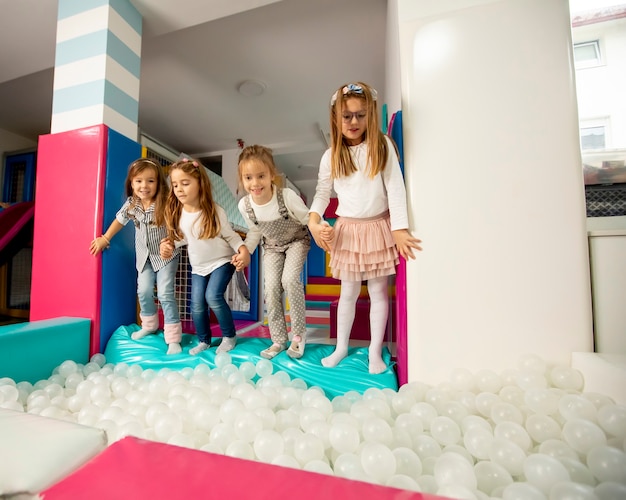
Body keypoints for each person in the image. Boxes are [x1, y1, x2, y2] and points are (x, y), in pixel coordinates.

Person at [308, 82, 422, 374]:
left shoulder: (381, 144)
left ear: (370, 115)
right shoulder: (331, 155)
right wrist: (314, 221)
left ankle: (374, 351)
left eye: (360, 115)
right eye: (347, 116)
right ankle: (341, 347)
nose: (354, 122)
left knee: (378, 292)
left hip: (377, 227)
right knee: (347, 293)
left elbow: (395, 187)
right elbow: (322, 193)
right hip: (347, 230)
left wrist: (399, 228)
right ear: (336, 118)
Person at [89, 158, 183, 355]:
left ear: (158, 183)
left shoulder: (165, 203)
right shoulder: (132, 204)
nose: (144, 186)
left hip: (166, 254)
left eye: (150, 181)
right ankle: (149, 325)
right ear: (131, 183)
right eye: (138, 181)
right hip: (144, 256)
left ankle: (173, 338)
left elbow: (177, 227)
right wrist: (105, 238)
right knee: (144, 291)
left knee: (165, 292)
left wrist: (170, 242)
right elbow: (119, 220)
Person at [160, 157, 250, 355]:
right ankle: (204, 340)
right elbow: (181, 239)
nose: (179, 189)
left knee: (213, 296)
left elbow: (231, 236)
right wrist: (168, 246)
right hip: (199, 267)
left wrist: (243, 250)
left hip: (222, 261)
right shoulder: (179, 214)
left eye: (185, 183)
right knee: (197, 304)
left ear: (200, 184)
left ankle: (229, 336)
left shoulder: (214, 211)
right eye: (175, 185)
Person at [236, 145, 312, 360]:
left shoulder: (286, 196)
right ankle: (279, 339)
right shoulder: (245, 205)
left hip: (297, 240)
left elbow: (308, 219)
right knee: (270, 288)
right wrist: (246, 251)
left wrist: (324, 233)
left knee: (289, 280)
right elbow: (254, 231)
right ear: (242, 179)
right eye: (248, 178)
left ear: (271, 174)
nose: (255, 183)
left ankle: (298, 335)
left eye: (261, 176)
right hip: (271, 247)